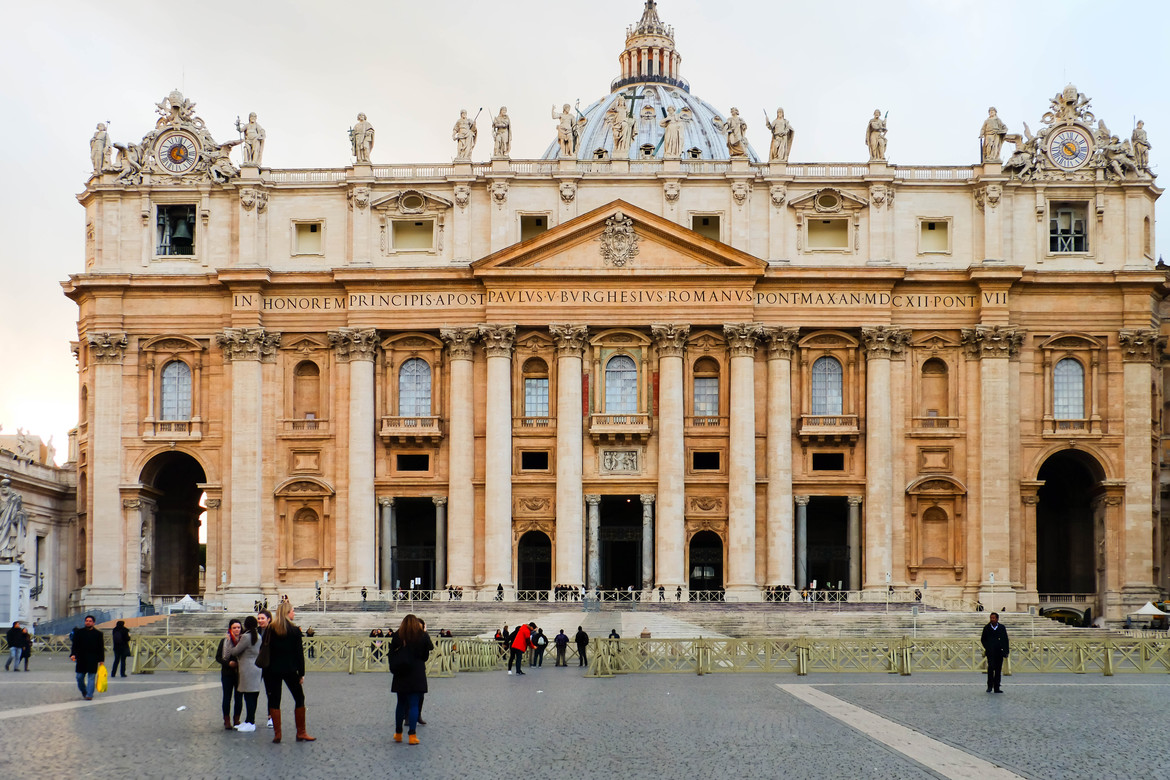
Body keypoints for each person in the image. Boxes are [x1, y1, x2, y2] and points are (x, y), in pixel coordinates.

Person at [263, 601, 315, 742]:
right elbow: (299, 654)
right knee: (299, 698)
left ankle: (277, 734)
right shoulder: (294, 631)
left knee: (274, 700)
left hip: (271, 670)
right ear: (287, 613)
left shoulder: (270, 629)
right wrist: (301, 673)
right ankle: (301, 732)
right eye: (292, 611)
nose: (294, 613)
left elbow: (265, 648)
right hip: (290, 670)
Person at [388, 613, 432, 745]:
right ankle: (412, 735)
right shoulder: (422, 636)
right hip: (417, 673)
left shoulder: (397, 635)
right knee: (414, 705)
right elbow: (425, 656)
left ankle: (398, 733)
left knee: (400, 704)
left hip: (401, 672)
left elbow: (392, 652)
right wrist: (425, 632)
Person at [225, 615, 263, 732]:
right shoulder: (258, 636)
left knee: (248, 696)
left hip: (247, 668)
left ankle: (251, 722)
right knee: (253, 696)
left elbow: (236, 651)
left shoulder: (246, 637)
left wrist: (231, 641)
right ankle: (248, 720)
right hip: (256, 668)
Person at [217, 618, 245, 730]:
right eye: (234, 628)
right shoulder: (224, 641)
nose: (237, 630)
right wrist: (228, 663)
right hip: (227, 672)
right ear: (230, 629)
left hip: (240, 673)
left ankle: (237, 719)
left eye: (238, 627)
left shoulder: (244, 640)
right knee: (227, 697)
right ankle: (227, 720)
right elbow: (218, 657)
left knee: (239, 698)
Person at [70, 615, 105, 700]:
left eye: (90, 621)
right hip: (81, 658)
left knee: (91, 677)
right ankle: (84, 691)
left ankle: (89, 694)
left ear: (93, 623)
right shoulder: (79, 632)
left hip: (93, 658)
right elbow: (75, 645)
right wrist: (73, 654)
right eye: (86, 621)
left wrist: (101, 659)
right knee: (79, 677)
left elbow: (101, 647)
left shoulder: (98, 634)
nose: (88, 622)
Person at [980, 612, 1010, 693]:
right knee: (990, 668)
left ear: (997, 619)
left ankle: (997, 687)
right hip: (990, 652)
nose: (992, 619)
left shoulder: (1001, 627)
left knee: (998, 670)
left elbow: (1005, 639)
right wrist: (988, 647)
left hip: (999, 652)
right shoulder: (986, 628)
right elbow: (983, 639)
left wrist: (1006, 651)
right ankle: (989, 686)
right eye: (991, 618)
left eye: (993, 618)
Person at [256, 609, 273, 729]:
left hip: (268, 665)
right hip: (256, 665)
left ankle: (271, 717)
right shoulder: (254, 631)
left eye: (262, 618)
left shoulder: (273, 631)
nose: (260, 621)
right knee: (253, 691)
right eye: (259, 618)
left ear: (269, 619)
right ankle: (250, 718)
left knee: (270, 692)